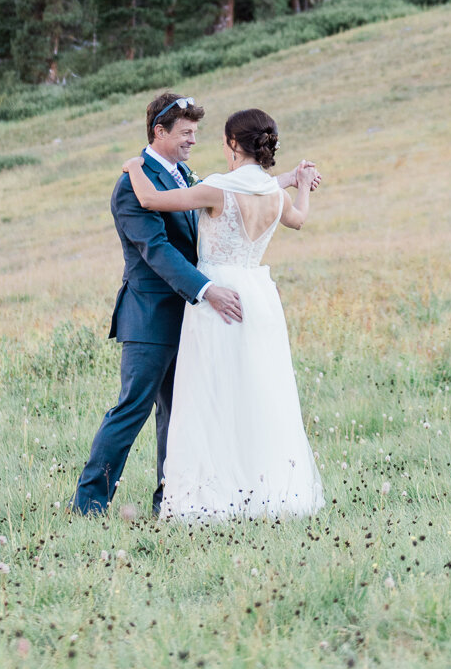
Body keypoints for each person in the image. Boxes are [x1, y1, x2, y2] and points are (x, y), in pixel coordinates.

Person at [71, 91, 316, 516]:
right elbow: (157, 249)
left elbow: (239, 192)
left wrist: (287, 179)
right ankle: (90, 503)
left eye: (196, 133)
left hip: (195, 313)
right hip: (153, 313)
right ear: (158, 132)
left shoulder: (185, 173)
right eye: (185, 133)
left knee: (180, 414)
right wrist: (205, 289)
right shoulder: (133, 184)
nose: (192, 141)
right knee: (132, 410)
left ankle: (174, 500)